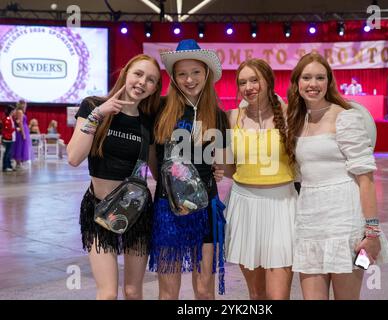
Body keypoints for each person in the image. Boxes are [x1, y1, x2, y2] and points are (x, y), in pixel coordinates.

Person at [286, 53, 388, 300]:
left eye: (320, 77)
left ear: (328, 82)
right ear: (297, 83)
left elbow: (366, 179)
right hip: (309, 221)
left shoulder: (347, 117)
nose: (313, 84)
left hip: (347, 222)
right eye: (307, 77)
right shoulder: (296, 120)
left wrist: (372, 233)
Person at [66, 54, 162, 300]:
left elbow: (157, 169)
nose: (142, 82)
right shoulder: (93, 106)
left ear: (154, 88)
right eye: (138, 74)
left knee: (132, 291)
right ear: (126, 74)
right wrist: (98, 115)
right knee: (108, 294)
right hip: (98, 211)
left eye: (150, 80)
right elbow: (74, 157)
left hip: (137, 212)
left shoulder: (147, 121)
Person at [149, 39, 230, 300]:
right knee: (168, 292)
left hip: (206, 209)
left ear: (206, 73)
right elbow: (153, 158)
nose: (189, 79)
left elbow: (225, 162)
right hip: (167, 209)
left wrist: (219, 168)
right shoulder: (160, 109)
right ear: (173, 78)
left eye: (195, 72)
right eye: (182, 73)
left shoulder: (218, 114)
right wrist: (170, 185)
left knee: (205, 291)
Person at [225, 59, 297, 300]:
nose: (249, 87)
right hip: (244, 206)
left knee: (278, 296)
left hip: (281, 206)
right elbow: (228, 166)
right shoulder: (232, 116)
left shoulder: (290, 114)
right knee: (256, 296)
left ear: (269, 81)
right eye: (242, 82)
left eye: (255, 80)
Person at [11, 100, 33, 168]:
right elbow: (20, 123)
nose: (26, 106)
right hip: (21, 132)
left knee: (21, 146)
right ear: (22, 105)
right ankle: (18, 163)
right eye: (25, 104)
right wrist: (23, 134)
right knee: (20, 146)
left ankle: (19, 163)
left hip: (23, 130)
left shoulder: (18, 111)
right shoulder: (20, 112)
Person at [1, 105, 16, 172]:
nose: (15, 112)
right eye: (14, 111)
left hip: (11, 137)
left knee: (9, 153)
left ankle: (9, 166)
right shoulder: (6, 118)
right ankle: (5, 167)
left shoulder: (11, 118)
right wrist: (15, 129)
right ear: (11, 111)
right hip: (8, 138)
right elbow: (7, 129)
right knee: (7, 152)